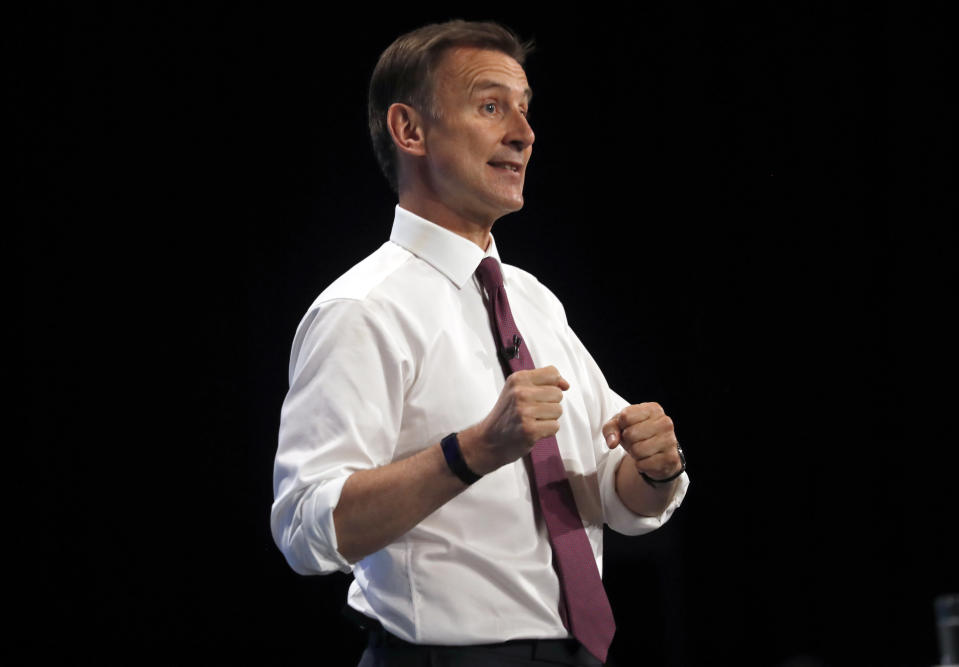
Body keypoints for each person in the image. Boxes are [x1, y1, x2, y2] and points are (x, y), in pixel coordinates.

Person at [271, 20, 689, 667]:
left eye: (524, 109)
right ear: (409, 130)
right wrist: (471, 450)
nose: (523, 132)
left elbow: (606, 489)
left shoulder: (533, 299)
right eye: (490, 106)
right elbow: (303, 528)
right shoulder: (361, 310)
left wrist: (651, 471)